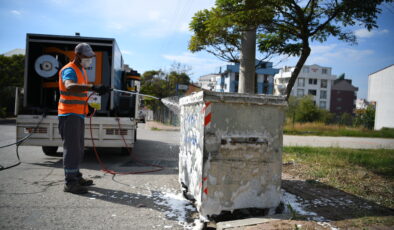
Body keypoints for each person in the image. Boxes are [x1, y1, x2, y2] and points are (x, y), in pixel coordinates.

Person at [58, 43, 110, 194]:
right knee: (72, 149)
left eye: (91, 57)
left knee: (79, 148)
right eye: (87, 57)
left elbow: (79, 94)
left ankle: (76, 176)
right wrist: (93, 87)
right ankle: (70, 183)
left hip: (77, 114)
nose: (90, 59)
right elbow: (69, 86)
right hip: (69, 115)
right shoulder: (69, 69)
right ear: (78, 55)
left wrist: (88, 108)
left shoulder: (81, 70)